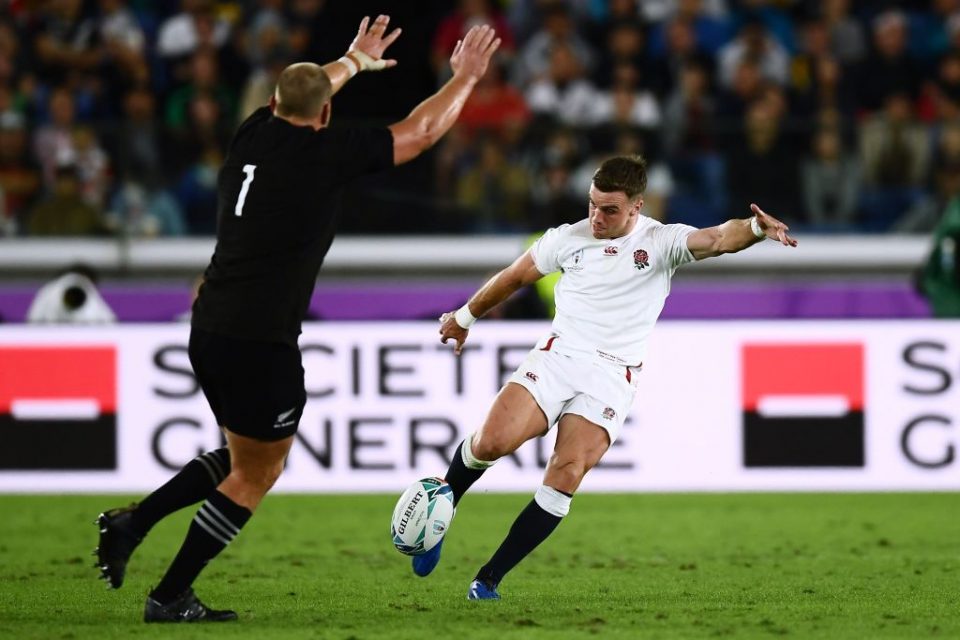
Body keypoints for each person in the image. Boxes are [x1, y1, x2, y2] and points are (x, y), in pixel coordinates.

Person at [94, 15, 501, 623]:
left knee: (242, 457)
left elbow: (305, 92)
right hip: (261, 337)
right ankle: (170, 594)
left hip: (209, 326)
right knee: (257, 472)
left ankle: (131, 523)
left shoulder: (251, 134)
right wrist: (465, 79)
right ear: (327, 115)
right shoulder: (322, 154)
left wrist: (353, 60)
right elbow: (417, 133)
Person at [415, 155, 797, 600]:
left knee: (566, 472)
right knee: (490, 444)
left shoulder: (661, 241)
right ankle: (441, 512)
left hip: (613, 376)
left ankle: (488, 579)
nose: (597, 216)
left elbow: (716, 238)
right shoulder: (568, 238)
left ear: (637, 207)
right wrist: (465, 316)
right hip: (558, 358)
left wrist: (753, 230)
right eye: (593, 204)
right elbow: (516, 275)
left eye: (610, 209)